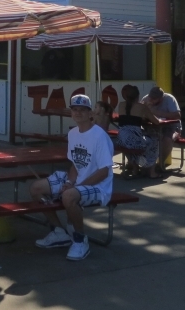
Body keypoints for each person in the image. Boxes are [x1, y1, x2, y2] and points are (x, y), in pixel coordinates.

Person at [29, 94, 114, 261]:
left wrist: (76, 186)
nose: (78, 113)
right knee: (36, 188)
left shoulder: (99, 136)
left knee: (68, 196)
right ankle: (59, 232)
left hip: (99, 186)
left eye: (83, 110)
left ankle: (80, 239)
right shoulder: (73, 133)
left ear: (90, 113)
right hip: (79, 181)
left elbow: (104, 172)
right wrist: (69, 181)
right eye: (75, 109)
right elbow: (75, 164)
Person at [115, 85, 162, 178]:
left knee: (134, 140)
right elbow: (156, 122)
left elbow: (129, 118)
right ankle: (152, 171)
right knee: (154, 140)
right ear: (137, 96)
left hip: (121, 140)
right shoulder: (142, 107)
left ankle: (135, 168)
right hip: (135, 142)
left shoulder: (121, 105)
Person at [143, 86, 182, 170]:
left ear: (161, 98)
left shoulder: (169, 99)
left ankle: (160, 163)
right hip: (153, 127)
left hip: (171, 127)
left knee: (167, 139)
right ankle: (142, 163)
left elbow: (177, 115)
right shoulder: (146, 99)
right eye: (150, 97)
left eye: (154, 99)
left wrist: (156, 112)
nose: (151, 100)